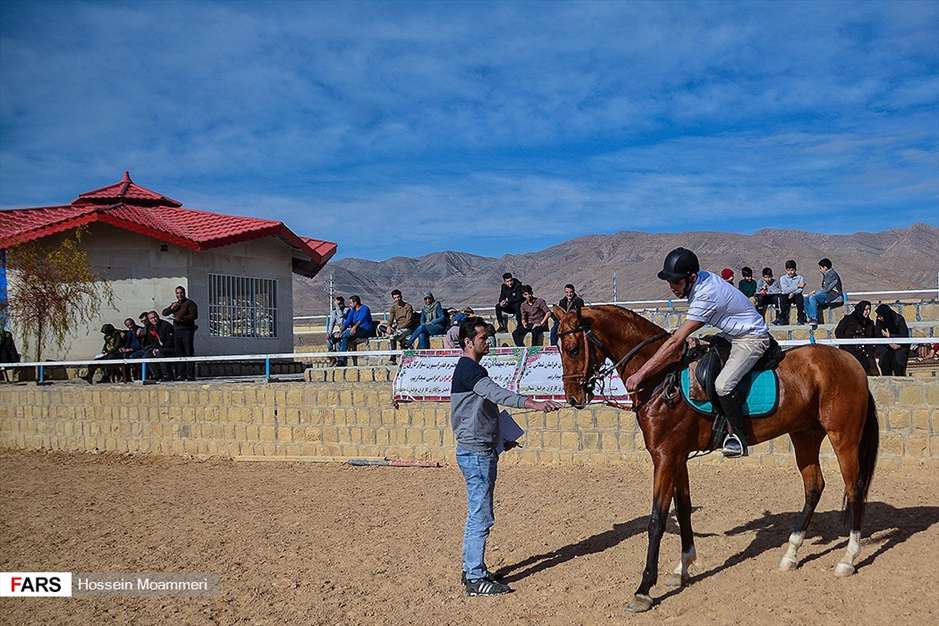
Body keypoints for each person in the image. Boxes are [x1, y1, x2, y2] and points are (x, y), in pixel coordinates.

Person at [450, 316, 562, 596]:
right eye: (482, 338)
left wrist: (500, 438)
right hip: (477, 453)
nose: (487, 341)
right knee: (480, 516)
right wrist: (533, 403)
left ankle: (472, 569)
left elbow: (479, 409)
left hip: (479, 448)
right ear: (468, 342)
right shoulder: (470, 370)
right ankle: (475, 577)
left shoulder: (470, 369)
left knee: (478, 513)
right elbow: (497, 394)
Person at [625, 248, 771, 458]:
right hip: (732, 333)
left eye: (675, 282)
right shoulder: (699, 281)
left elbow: (676, 340)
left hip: (751, 337)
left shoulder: (705, 294)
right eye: (670, 282)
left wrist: (642, 373)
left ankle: (738, 437)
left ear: (691, 277)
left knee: (723, 385)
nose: (672, 287)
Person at [162, 285, 198, 381]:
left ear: (184, 293)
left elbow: (194, 316)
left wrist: (181, 319)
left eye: (181, 293)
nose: (179, 295)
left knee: (188, 352)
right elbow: (164, 313)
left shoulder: (190, 303)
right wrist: (171, 309)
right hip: (177, 331)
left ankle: (190, 374)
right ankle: (180, 374)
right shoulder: (175, 304)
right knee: (179, 353)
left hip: (187, 330)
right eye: (177, 293)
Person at [834, 301, 876, 374]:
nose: (868, 312)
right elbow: (838, 332)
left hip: (864, 354)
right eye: (866, 310)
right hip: (848, 351)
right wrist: (849, 342)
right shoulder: (848, 319)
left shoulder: (869, 323)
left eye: (869, 309)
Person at [804, 258, 844, 329]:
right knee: (806, 298)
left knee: (812, 297)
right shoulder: (827, 274)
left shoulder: (832, 274)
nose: (820, 270)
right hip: (828, 295)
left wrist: (815, 293)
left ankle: (814, 318)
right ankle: (810, 318)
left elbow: (826, 289)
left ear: (825, 267)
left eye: (820, 268)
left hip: (835, 297)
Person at [380, 290, 418, 363]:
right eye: (395, 298)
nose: (397, 299)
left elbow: (408, 321)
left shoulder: (408, 307)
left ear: (401, 296)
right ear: (393, 299)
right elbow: (390, 319)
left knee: (392, 336)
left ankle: (393, 358)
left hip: (407, 328)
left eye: (398, 297)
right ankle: (394, 335)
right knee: (381, 327)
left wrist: (399, 327)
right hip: (397, 328)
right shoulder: (393, 308)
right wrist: (388, 326)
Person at [336, 295, 374, 366]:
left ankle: (341, 358)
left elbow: (361, 320)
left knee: (346, 334)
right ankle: (342, 359)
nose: (350, 305)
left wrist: (354, 327)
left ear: (355, 302)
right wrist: (341, 331)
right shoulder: (352, 311)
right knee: (344, 337)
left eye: (351, 303)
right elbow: (347, 322)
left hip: (365, 330)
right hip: (356, 330)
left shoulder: (365, 309)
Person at [874, 304, 910, 376]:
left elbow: (904, 336)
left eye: (880, 316)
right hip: (887, 345)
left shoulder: (898, 319)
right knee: (884, 362)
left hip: (900, 346)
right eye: (878, 316)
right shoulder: (879, 321)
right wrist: (889, 342)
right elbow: (878, 334)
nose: (878, 318)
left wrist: (890, 336)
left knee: (898, 362)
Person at [144, 310, 176, 381]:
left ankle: (166, 375)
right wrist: (154, 349)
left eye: (155, 317)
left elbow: (170, 340)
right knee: (148, 355)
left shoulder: (165, 325)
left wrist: (159, 349)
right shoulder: (150, 328)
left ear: (158, 317)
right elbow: (152, 341)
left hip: (169, 348)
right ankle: (156, 375)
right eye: (151, 318)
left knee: (160, 353)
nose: (154, 319)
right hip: (158, 348)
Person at [777, 260, 806, 325]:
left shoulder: (800, 278)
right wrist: (797, 286)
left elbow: (800, 290)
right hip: (786, 296)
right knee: (782, 297)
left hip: (795, 295)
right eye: (788, 270)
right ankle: (783, 319)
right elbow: (785, 290)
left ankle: (800, 318)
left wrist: (793, 293)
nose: (790, 272)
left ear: (795, 269)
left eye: (792, 270)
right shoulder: (783, 278)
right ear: (786, 270)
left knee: (800, 297)